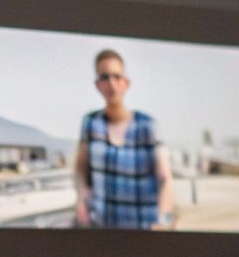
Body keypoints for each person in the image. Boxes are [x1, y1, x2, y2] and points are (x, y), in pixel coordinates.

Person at [73, 48, 174, 229]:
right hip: (104, 228)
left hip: (144, 228)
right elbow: (81, 168)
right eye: (105, 77)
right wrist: (81, 199)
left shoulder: (148, 125)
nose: (111, 83)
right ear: (97, 84)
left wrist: (164, 219)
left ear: (126, 82)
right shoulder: (90, 123)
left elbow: (165, 178)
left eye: (117, 76)